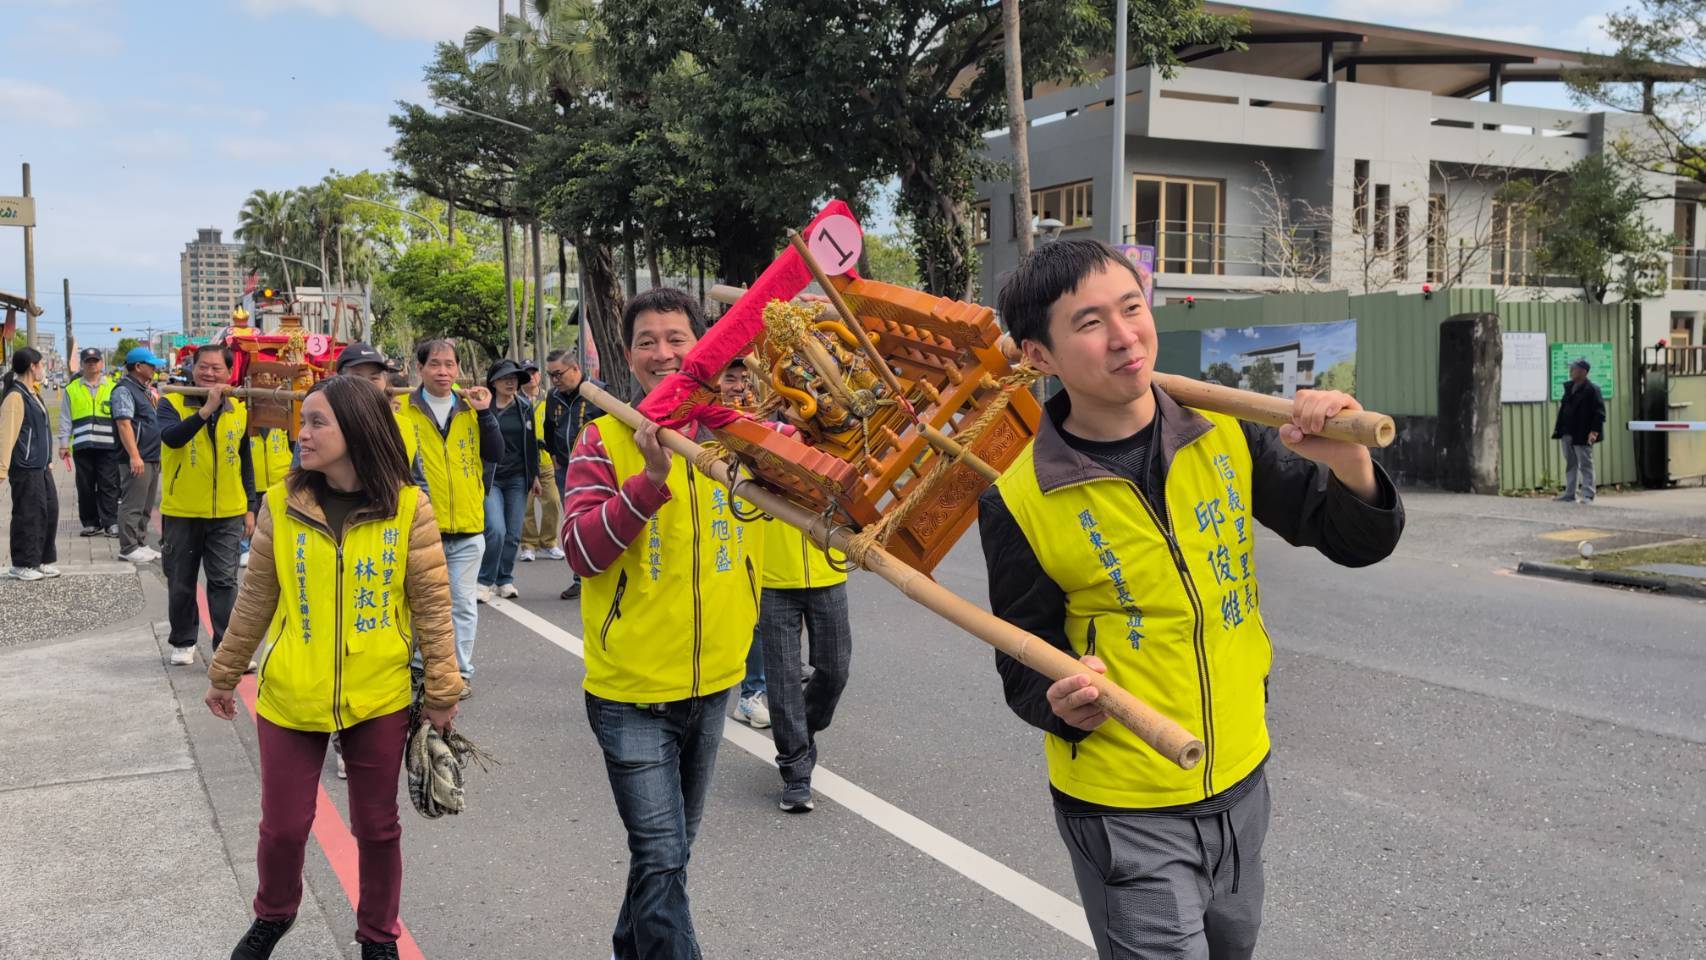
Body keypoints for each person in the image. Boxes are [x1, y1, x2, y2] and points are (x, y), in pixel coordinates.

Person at [977, 239, 1405, 960]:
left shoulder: (1225, 430)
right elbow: (1023, 662)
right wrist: (1061, 703)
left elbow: (1354, 540)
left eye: (1132, 308)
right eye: (1090, 323)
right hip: (1124, 804)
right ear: (1039, 356)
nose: (1125, 336)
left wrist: (1349, 461)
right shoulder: (1019, 499)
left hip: (1241, 775)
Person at [204, 376, 463, 960]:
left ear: (359, 429)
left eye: (318, 422)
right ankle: (274, 914)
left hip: (379, 693)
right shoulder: (280, 504)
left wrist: (443, 689)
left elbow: (432, 605)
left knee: (377, 827)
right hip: (291, 691)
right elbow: (256, 597)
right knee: (283, 827)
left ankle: (377, 935)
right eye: (304, 421)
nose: (303, 433)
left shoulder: (409, 507)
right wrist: (225, 672)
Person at [562, 286, 766, 960]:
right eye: (646, 342)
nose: (663, 353)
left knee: (668, 855)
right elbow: (581, 552)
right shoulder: (603, 438)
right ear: (628, 356)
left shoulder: (742, 437)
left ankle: (629, 949)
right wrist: (649, 480)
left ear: (703, 348)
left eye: (677, 338)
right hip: (632, 691)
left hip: (714, 681)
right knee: (662, 854)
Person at [396, 340, 500, 698]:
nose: (443, 371)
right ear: (420, 368)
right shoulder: (403, 410)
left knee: (462, 603)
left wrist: (486, 414)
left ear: (458, 369)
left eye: (449, 364)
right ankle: (420, 667)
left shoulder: (472, 407)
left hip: (468, 525)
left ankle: (459, 672)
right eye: (435, 364)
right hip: (423, 527)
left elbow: (496, 453)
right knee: (419, 603)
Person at [158, 344, 257, 666]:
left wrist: (250, 506)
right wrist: (205, 411)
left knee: (225, 581)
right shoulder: (172, 402)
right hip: (182, 510)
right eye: (204, 367)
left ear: (230, 373)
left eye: (217, 368)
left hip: (228, 512)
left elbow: (244, 461)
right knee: (181, 580)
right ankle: (183, 640)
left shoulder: (238, 409)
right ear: (193, 367)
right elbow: (171, 438)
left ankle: (227, 649)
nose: (210, 373)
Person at [756, 515, 853, 813]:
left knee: (835, 670)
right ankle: (795, 771)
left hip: (828, 570)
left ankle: (802, 729)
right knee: (783, 679)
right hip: (772, 577)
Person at [717, 359, 770, 729]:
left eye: (744, 380)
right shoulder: (700, 424)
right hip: (713, 529)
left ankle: (752, 694)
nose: (738, 386)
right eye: (730, 378)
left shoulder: (760, 421)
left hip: (752, 532)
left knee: (756, 615)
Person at [541, 351, 602, 599]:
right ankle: (580, 578)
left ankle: (601, 577)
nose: (555, 380)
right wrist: (554, 457)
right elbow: (548, 428)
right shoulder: (553, 397)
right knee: (574, 525)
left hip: (595, 470)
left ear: (575, 369)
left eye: (558, 374)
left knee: (598, 523)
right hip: (566, 470)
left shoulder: (598, 393)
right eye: (550, 375)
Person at [476, 357, 538, 601]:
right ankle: (484, 580)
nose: (510, 382)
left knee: (513, 533)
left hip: (517, 478)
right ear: (493, 382)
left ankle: (504, 579)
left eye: (513, 378)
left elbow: (530, 443)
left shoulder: (524, 407)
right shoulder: (482, 407)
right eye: (504, 378)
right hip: (490, 477)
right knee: (495, 529)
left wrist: (534, 475)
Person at [0, 348, 61, 580]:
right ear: (31, 366)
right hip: (25, 466)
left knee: (49, 511)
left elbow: (42, 430)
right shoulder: (16, 396)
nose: (43, 368)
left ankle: (41, 560)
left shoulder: (33, 393)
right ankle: (22, 563)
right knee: (28, 514)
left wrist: (49, 460)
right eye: (41, 364)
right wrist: (2, 467)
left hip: (41, 466)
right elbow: (6, 434)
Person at [58, 347, 123, 537]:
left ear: (101, 363)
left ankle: (111, 522)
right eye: (88, 361)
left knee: (109, 484)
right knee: (85, 486)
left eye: (95, 361)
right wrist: (63, 444)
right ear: (82, 364)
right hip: (82, 445)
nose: (92, 364)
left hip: (108, 445)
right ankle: (91, 523)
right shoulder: (72, 389)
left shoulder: (114, 387)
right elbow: (65, 419)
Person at [112, 346, 167, 563]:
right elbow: (124, 424)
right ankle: (128, 547)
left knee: (145, 504)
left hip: (151, 455)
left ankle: (140, 542)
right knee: (133, 503)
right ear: (138, 366)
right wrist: (134, 455)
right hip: (137, 457)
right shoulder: (124, 390)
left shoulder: (143, 389)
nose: (154, 369)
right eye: (151, 365)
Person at [517, 361, 566, 565]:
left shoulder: (550, 399)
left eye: (534, 372)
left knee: (553, 501)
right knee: (526, 506)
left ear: (539, 375)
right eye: (526, 373)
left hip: (546, 460)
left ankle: (549, 542)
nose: (531, 377)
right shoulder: (515, 400)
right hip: (523, 461)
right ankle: (528, 545)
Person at [1552, 357, 1605, 504]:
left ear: (1583, 372)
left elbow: (1599, 413)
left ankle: (1588, 495)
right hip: (1567, 432)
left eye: (1574, 368)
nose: (1571, 371)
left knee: (1585, 464)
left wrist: (1594, 432)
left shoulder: (1592, 390)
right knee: (1571, 463)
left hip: (1582, 433)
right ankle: (1570, 494)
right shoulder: (1569, 388)